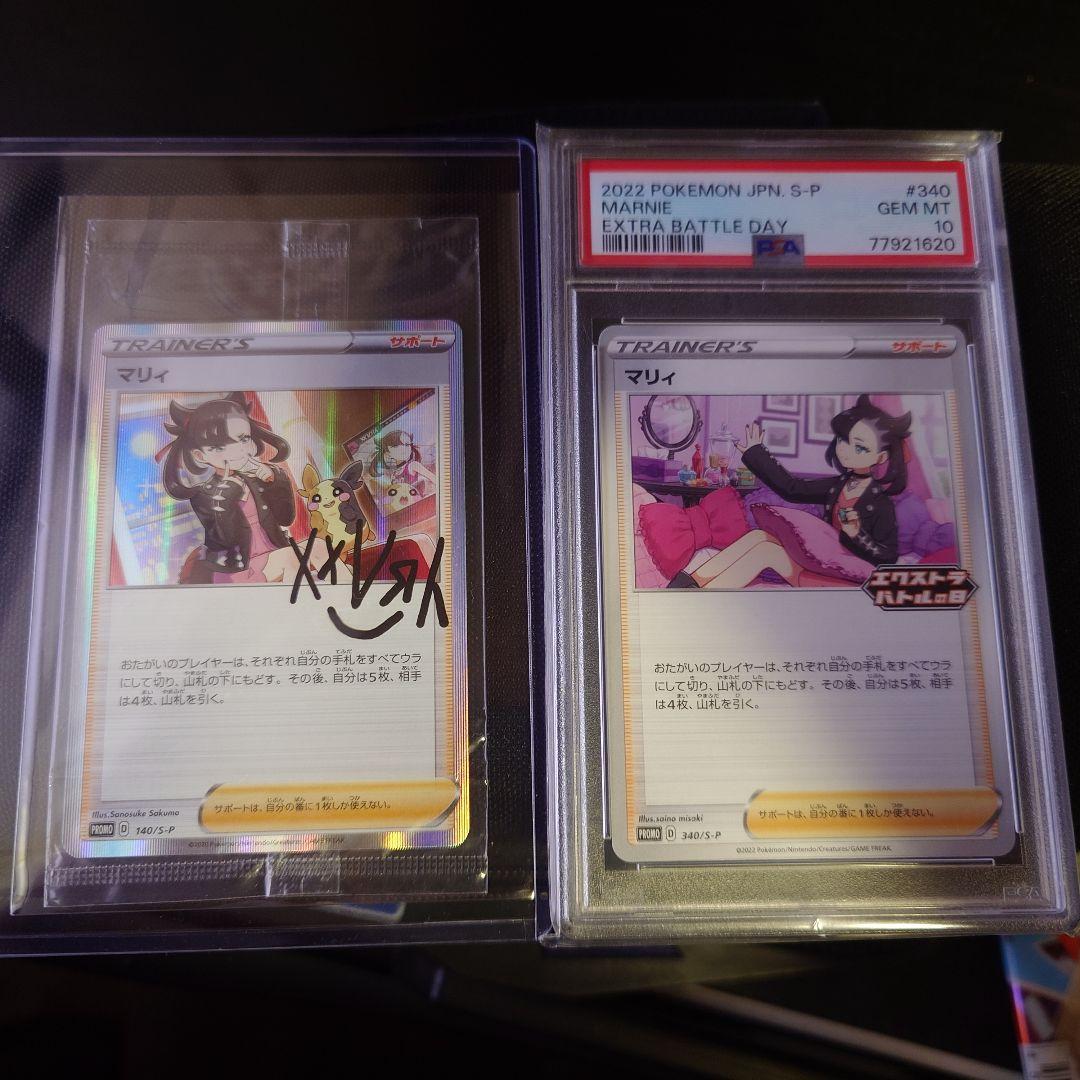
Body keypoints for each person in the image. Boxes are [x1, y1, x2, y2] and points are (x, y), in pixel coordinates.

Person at [687, 395, 912, 589]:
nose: (845, 450)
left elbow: (888, 558)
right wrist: (756, 452)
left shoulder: (880, 503)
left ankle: (698, 598)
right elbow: (792, 489)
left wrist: (857, 535)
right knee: (759, 537)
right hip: (823, 564)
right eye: (843, 440)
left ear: (881, 457)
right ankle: (687, 585)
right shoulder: (840, 485)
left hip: (845, 578)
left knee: (765, 553)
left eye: (860, 447)